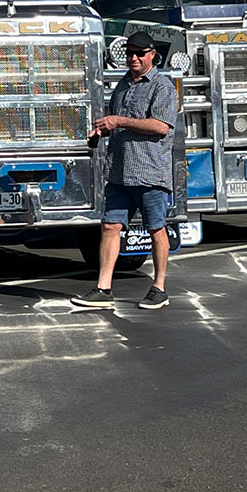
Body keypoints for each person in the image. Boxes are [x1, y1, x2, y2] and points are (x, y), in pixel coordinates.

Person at [73, 30, 179, 310]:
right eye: (129, 53)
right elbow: (119, 126)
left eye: (139, 53)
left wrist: (118, 120)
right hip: (119, 171)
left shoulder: (162, 87)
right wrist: (101, 132)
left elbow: (161, 126)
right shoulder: (122, 86)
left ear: (152, 55)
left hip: (150, 172)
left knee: (156, 228)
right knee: (109, 226)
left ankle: (159, 288)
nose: (133, 58)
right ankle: (103, 289)